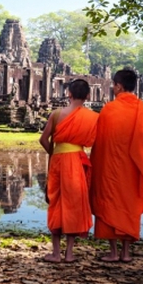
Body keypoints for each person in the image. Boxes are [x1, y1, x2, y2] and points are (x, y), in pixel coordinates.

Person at [90, 69, 143, 263]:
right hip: (133, 169)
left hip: (110, 168)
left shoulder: (109, 109)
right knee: (128, 206)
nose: (113, 88)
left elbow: (101, 143)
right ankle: (125, 253)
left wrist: (95, 166)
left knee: (109, 204)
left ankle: (113, 252)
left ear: (119, 86)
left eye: (114, 85)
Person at [38, 79, 99, 263]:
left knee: (56, 201)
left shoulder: (56, 114)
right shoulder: (93, 117)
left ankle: (56, 253)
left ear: (69, 94)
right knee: (73, 203)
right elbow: (94, 141)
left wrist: (55, 152)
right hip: (77, 161)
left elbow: (43, 139)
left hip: (58, 160)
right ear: (88, 96)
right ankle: (69, 253)